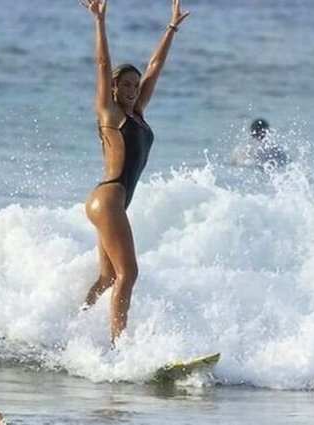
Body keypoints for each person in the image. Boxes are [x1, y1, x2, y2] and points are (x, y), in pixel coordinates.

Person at [80, 0, 190, 344]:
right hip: (108, 198)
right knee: (129, 274)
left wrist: (171, 28)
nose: (132, 90)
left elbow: (155, 66)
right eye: (125, 85)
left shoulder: (139, 112)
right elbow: (102, 63)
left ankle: (73, 331)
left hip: (112, 204)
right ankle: (119, 348)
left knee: (109, 278)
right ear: (114, 89)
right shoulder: (110, 114)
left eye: (135, 85)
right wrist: (99, 21)